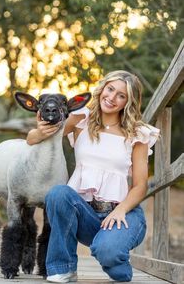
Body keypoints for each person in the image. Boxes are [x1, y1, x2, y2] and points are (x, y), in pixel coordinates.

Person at [27, 70, 160, 283]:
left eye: (121, 95)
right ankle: (63, 268)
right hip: (85, 214)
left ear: (128, 102)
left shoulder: (138, 133)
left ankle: (115, 257)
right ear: (102, 88)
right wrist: (41, 130)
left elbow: (140, 186)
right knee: (59, 193)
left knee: (109, 254)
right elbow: (32, 139)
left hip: (121, 215)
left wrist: (120, 210)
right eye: (110, 89)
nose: (112, 98)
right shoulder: (81, 120)